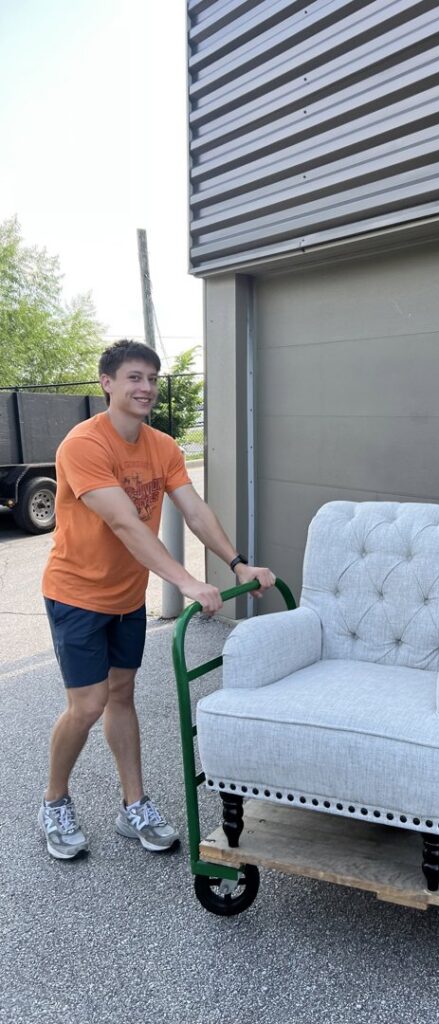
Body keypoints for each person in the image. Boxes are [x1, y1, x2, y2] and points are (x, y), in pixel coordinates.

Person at [39, 339, 275, 860]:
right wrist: (187, 581)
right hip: (77, 594)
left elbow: (194, 510)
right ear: (107, 383)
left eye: (151, 378)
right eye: (133, 378)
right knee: (88, 704)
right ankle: (55, 802)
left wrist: (238, 563)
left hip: (125, 596)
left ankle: (134, 805)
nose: (145, 387)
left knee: (121, 695)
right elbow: (124, 522)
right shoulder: (84, 445)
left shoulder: (162, 446)